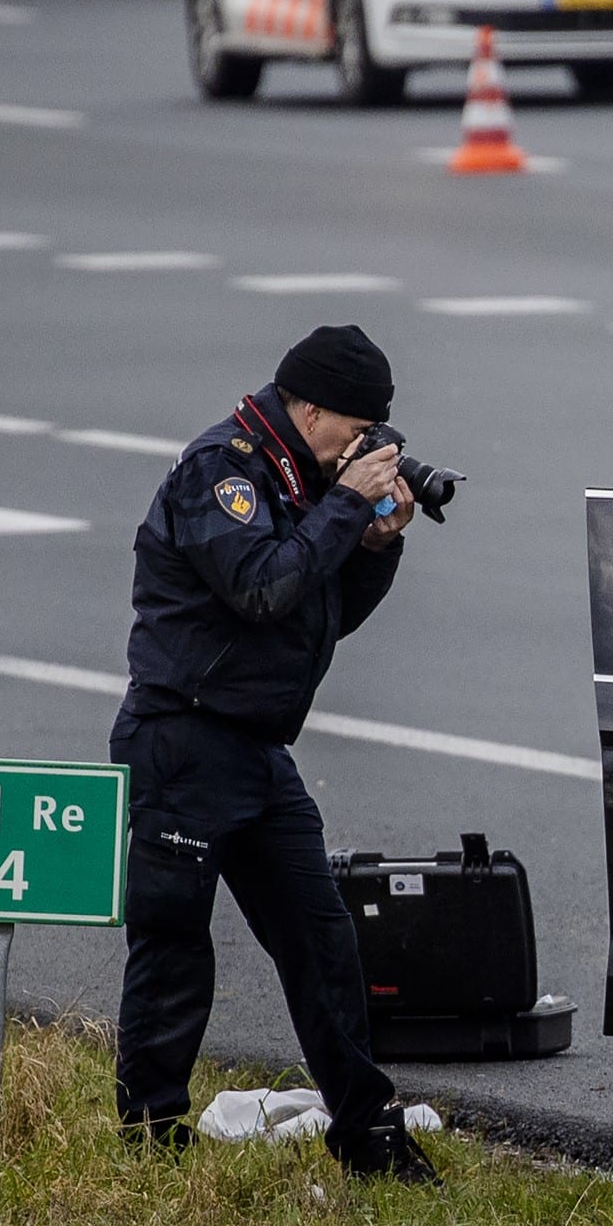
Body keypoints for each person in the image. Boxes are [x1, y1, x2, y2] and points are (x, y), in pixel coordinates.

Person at [109, 325, 434, 1182]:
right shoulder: (223, 470)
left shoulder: (307, 478)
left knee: (323, 941)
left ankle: (366, 1131)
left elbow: (318, 613)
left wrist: (375, 542)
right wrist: (341, 509)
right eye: (355, 431)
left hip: (255, 751)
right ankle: (151, 1138)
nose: (361, 449)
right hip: (181, 736)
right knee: (174, 944)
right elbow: (261, 588)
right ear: (310, 407)